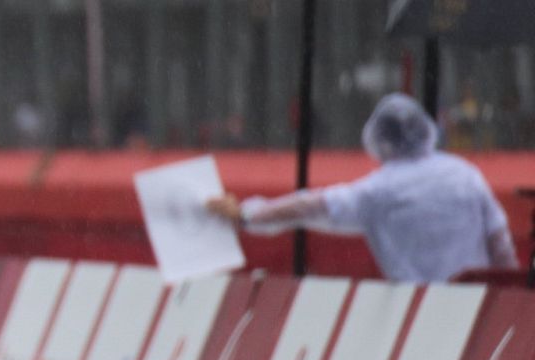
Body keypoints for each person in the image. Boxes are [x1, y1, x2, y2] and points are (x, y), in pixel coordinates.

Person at [207, 92, 518, 284]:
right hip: (480, 305)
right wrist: (513, 293)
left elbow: (311, 207)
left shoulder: (379, 191)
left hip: (423, 310)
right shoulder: (465, 175)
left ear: (378, 141)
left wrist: (248, 215)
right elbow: (500, 241)